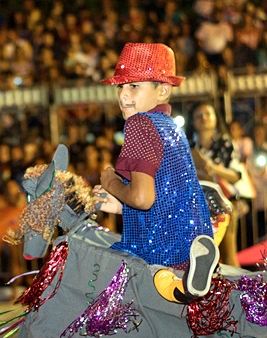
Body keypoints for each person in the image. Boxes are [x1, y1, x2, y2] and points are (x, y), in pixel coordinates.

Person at [93, 43, 220, 304]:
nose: (123, 95)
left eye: (134, 86)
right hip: (186, 241)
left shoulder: (138, 124)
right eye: (120, 86)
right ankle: (193, 274)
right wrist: (121, 207)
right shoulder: (170, 126)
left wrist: (111, 182)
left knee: (95, 274)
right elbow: (164, 195)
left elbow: (142, 198)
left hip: (157, 249)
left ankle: (182, 288)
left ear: (162, 91)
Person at [185, 102, 243, 265]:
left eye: (208, 114)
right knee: (199, 257)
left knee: (229, 254)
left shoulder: (225, 144)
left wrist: (213, 169)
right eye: (199, 115)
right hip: (195, 208)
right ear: (193, 121)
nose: (203, 118)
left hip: (223, 205)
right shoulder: (187, 146)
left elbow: (235, 175)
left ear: (216, 118)